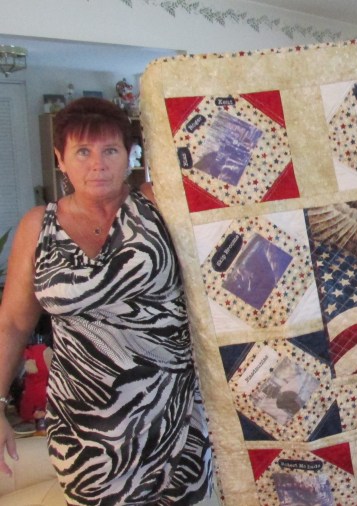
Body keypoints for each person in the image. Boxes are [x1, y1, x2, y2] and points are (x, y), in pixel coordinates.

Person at [0, 97, 213, 504]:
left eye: (110, 150)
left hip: (176, 420)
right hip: (86, 435)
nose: (97, 164)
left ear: (130, 156)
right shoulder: (37, 226)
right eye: (83, 151)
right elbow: (11, 323)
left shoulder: (160, 204)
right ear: (61, 159)